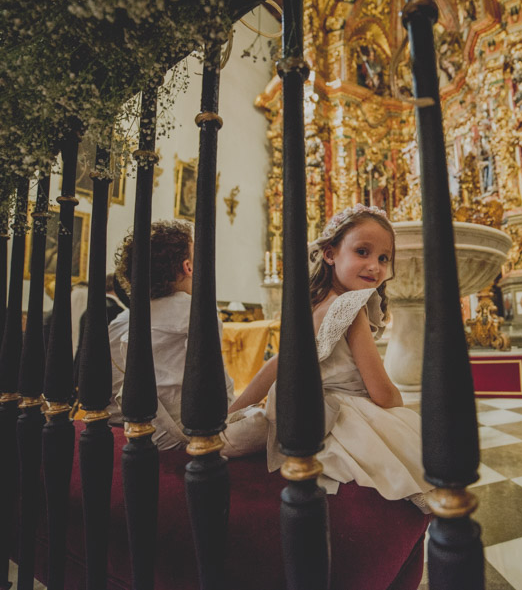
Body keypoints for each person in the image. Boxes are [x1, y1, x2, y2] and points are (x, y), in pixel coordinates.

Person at [227, 204, 433, 510]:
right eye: (362, 251)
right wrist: (399, 404)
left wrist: (230, 413)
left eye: (383, 258)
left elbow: (278, 364)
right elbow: (381, 393)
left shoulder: (313, 304)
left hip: (305, 413)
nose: (375, 266)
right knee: (419, 454)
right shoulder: (351, 307)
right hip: (342, 416)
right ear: (330, 253)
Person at [107, 220, 241, 449]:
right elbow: (214, 393)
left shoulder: (135, 315)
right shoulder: (197, 311)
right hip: (192, 435)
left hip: (142, 428)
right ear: (189, 267)